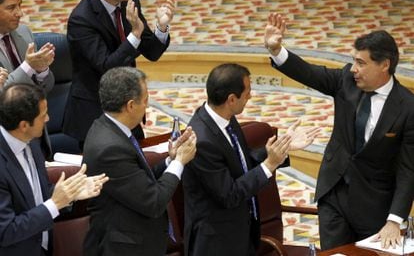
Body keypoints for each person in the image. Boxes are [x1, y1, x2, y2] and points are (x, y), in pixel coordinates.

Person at [264, 13, 414, 250]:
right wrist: (277, 50)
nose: (354, 69)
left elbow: (409, 169)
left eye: (361, 63)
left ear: (384, 65)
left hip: (374, 205)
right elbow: (309, 73)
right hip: (333, 194)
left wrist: (395, 219)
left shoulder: (408, 107)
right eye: (354, 61)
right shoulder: (346, 80)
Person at [182, 63, 319, 256]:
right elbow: (229, 194)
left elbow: (241, 162)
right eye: (247, 93)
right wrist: (269, 164)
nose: (250, 97)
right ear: (231, 99)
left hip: (241, 233)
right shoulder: (202, 141)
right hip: (216, 244)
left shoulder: (225, 117)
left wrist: (283, 146)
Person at [64, 0, 175, 147]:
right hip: (95, 112)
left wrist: (162, 26)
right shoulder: (81, 20)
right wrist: (135, 34)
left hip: (128, 105)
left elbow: (152, 52)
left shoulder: (129, 2)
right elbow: (107, 66)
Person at [82, 67, 197, 256]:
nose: (148, 106)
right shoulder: (110, 148)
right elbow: (154, 201)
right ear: (130, 106)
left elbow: (136, 177)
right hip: (123, 248)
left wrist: (170, 160)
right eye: (145, 100)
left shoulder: (108, 127)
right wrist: (180, 163)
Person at [0, 83, 108, 256]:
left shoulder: (32, 141)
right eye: (43, 115)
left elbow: (35, 195)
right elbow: (5, 231)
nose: (48, 119)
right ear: (24, 125)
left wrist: (70, 193)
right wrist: (55, 203)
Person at [0, 0, 55, 92]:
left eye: (19, 5)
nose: (20, 13)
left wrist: (41, 70)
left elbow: (47, 88)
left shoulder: (24, 32)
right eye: (11, 8)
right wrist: (28, 66)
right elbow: (4, 96)